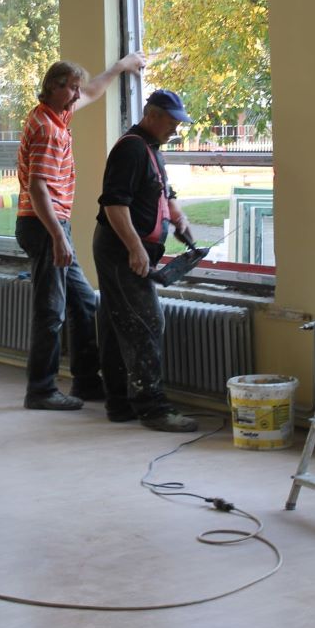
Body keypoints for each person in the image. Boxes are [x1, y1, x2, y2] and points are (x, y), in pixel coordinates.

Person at [16, 52, 146, 410]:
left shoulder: (57, 115)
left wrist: (120, 67)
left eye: (76, 88)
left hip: (53, 225)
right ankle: (40, 390)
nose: (76, 94)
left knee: (83, 301)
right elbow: (38, 188)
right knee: (51, 310)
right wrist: (58, 237)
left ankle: (86, 381)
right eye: (71, 88)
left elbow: (91, 92)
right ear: (53, 87)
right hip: (45, 226)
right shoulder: (46, 129)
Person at [93, 89, 199, 433]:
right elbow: (114, 203)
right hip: (119, 250)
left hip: (127, 248)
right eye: (171, 121)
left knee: (118, 322)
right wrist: (135, 248)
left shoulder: (151, 148)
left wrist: (176, 216)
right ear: (152, 115)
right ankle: (152, 408)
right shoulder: (131, 149)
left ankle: (119, 403)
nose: (175, 128)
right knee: (147, 322)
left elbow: (161, 191)